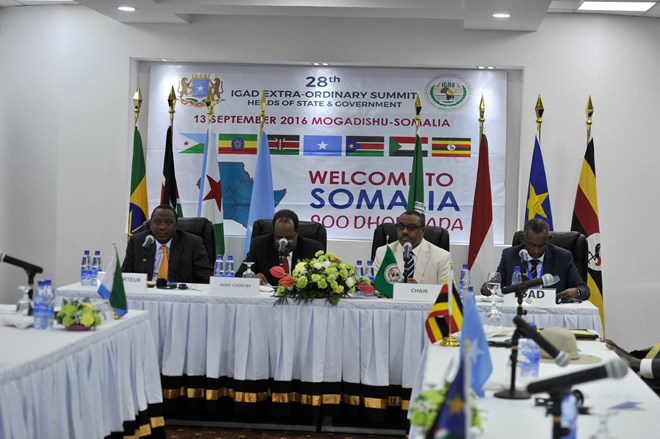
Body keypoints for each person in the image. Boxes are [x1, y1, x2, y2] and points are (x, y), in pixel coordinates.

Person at [481, 218, 589, 301]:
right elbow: (494, 284)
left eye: (541, 245)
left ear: (548, 239)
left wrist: (576, 291)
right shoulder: (509, 255)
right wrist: (486, 288)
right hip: (518, 309)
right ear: (523, 239)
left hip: (551, 313)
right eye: (532, 245)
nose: (536, 250)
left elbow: (584, 289)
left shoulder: (563, 257)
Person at [121, 204, 213, 284]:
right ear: (151, 225)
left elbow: (207, 278)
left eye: (168, 223)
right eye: (157, 222)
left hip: (179, 295)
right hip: (146, 293)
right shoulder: (137, 242)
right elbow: (124, 276)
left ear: (176, 226)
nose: (162, 227)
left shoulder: (193, 244)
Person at [236, 209, 324, 286]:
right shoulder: (259, 246)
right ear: (273, 232)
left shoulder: (313, 249)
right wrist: (253, 278)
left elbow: (324, 279)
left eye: (289, 238)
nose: (284, 243)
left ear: (297, 232)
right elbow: (239, 275)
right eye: (279, 238)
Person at [372, 211, 451, 285]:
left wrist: (416, 290)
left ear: (423, 230)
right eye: (400, 226)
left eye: (411, 227)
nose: (404, 231)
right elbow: (377, 287)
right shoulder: (383, 252)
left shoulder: (442, 257)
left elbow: (447, 291)